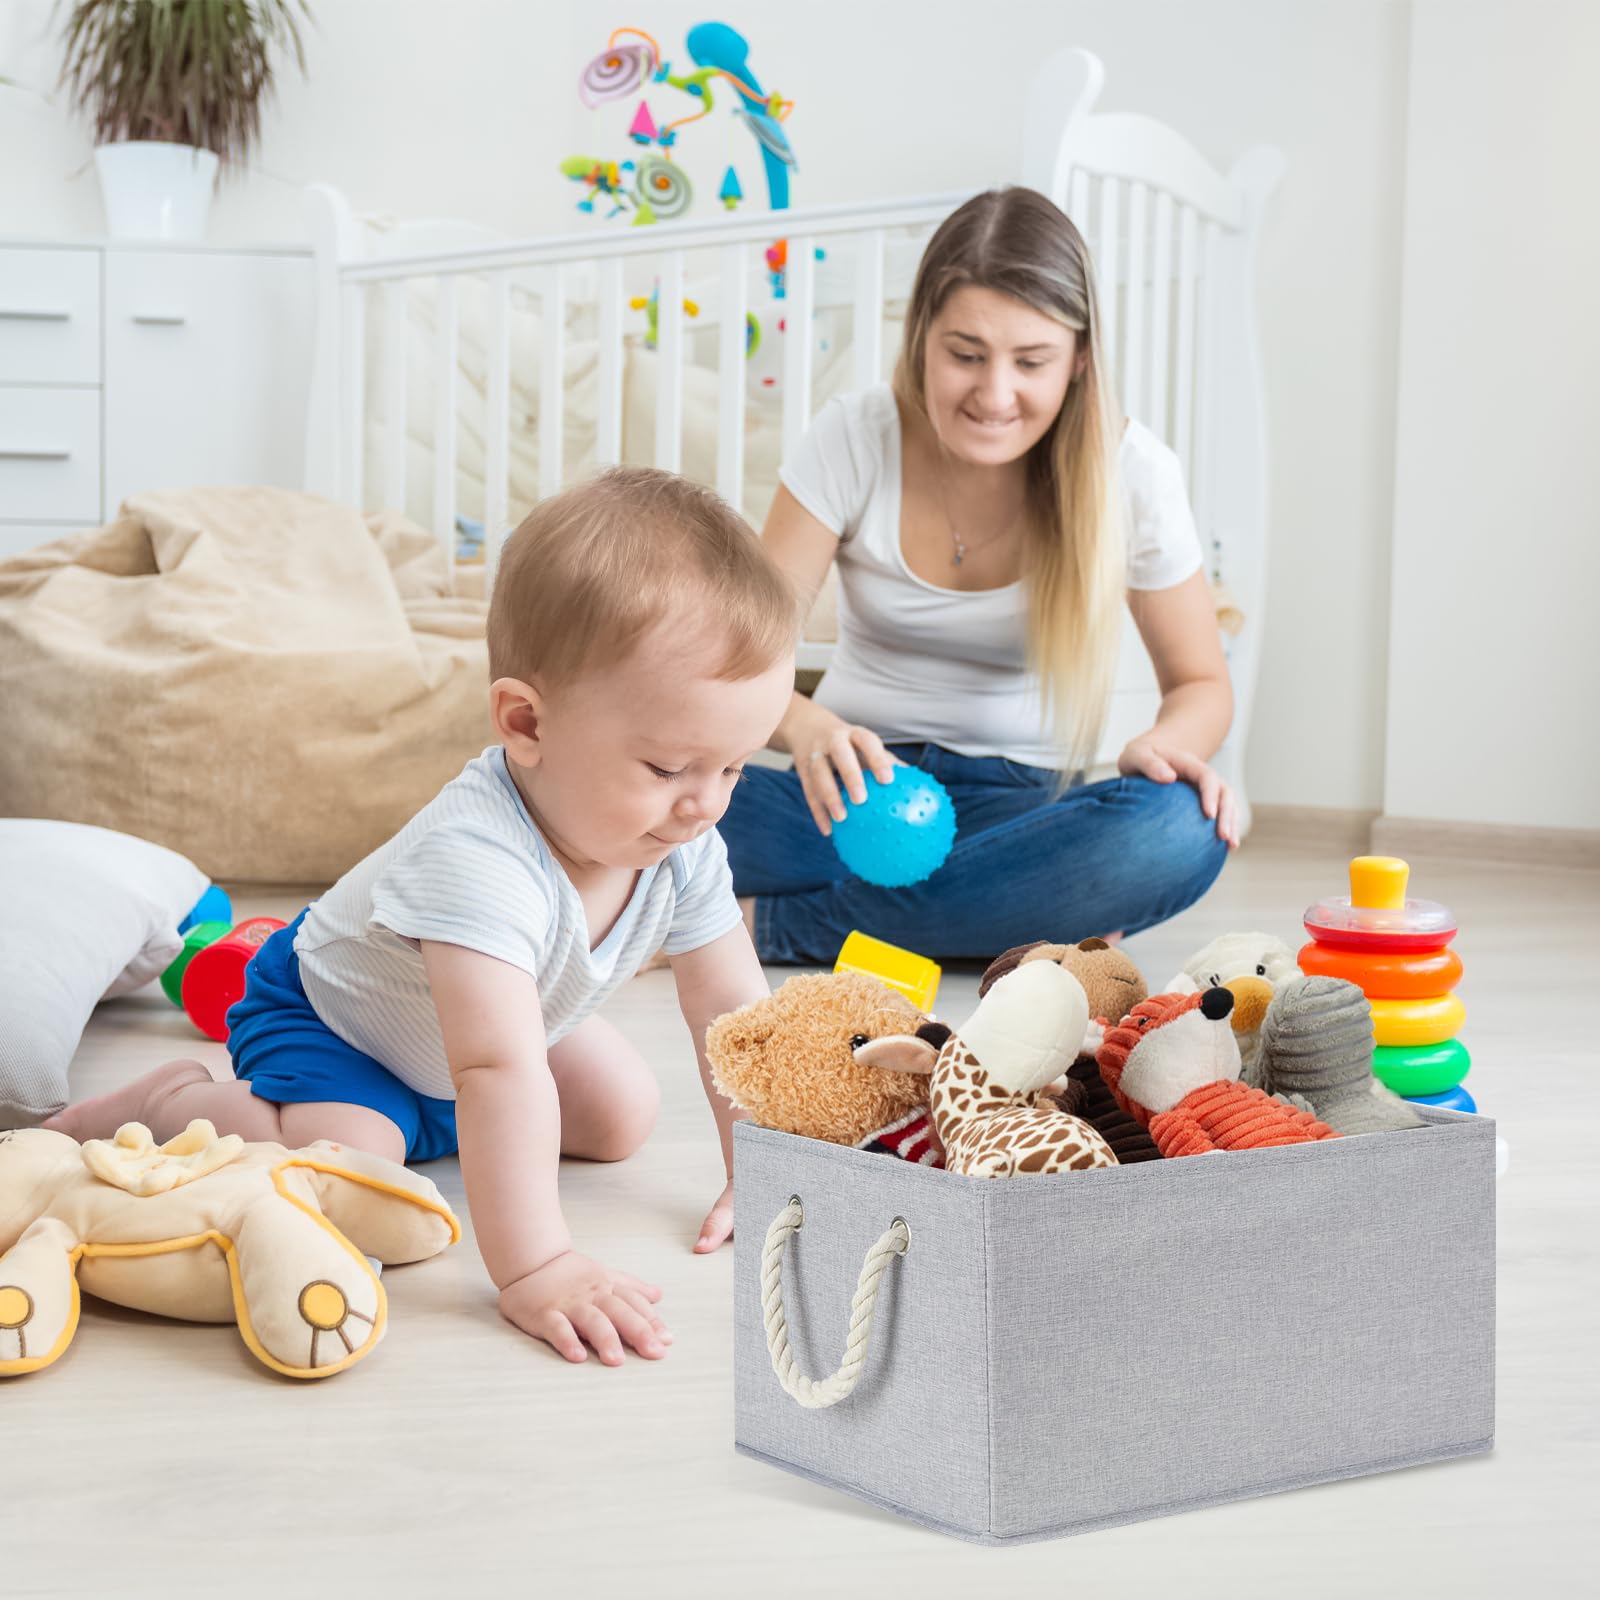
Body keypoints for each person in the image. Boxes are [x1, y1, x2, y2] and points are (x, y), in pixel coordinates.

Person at [47, 468, 798, 1367]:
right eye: (671, 767)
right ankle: (171, 1098)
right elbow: (493, 1067)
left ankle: (430, 1124)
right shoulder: (476, 859)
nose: (704, 805)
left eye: (734, 768)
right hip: (340, 1024)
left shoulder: (678, 842)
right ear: (526, 722)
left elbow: (738, 1019)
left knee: (622, 1115)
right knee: (354, 1163)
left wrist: (769, 1172)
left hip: (484, 1034)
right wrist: (538, 1266)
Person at [718, 186, 1235, 966]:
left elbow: (1203, 682)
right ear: (921, 336)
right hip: (848, 797)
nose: (994, 395)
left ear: (1080, 359)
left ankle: (769, 930)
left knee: (1180, 828)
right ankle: (1008, 922)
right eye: (965, 355)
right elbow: (738, 658)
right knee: (647, 792)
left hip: (1022, 814)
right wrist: (807, 725)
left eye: (1031, 362)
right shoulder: (853, 437)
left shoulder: (1133, 472)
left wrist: (1163, 747)